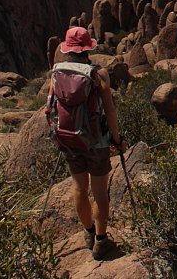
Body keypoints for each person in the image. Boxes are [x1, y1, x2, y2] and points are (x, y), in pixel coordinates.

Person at [47, 26, 125, 260]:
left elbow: (49, 106)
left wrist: (58, 134)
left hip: (68, 139)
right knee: (99, 191)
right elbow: (110, 111)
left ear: (68, 49)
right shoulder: (98, 73)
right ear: (87, 49)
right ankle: (101, 241)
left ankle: (88, 232)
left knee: (79, 188)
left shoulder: (56, 71)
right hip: (95, 141)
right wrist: (117, 139)